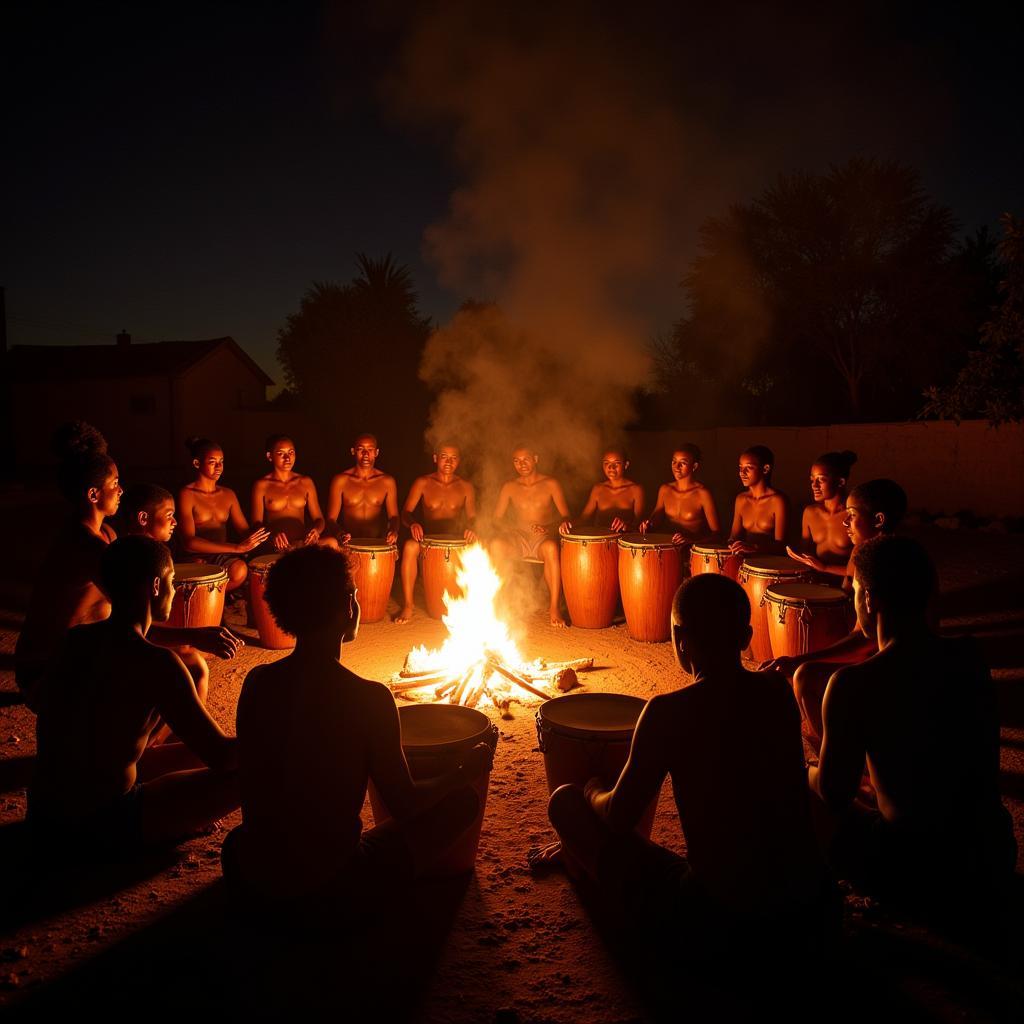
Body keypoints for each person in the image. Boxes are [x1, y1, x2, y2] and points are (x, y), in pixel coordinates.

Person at [533, 574, 836, 949]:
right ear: (746, 637)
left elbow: (619, 817)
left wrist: (592, 790)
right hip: (812, 910)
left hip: (722, 922)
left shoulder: (668, 711)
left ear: (678, 639)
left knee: (564, 802)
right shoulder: (778, 692)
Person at [221, 545, 493, 924]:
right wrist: (465, 770)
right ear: (349, 606)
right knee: (461, 804)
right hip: (330, 889)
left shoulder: (257, 681)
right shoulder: (368, 698)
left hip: (249, 876)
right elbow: (406, 805)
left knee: (239, 842)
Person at [809, 536, 1016, 917]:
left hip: (914, 870)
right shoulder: (970, 656)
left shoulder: (852, 683)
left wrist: (808, 769)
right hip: (991, 855)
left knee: (803, 784)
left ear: (869, 599)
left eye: (855, 591)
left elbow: (835, 796)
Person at [27, 536, 240, 858]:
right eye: (171, 582)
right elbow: (221, 756)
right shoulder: (158, 663)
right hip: (101, 824)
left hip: (43, 814)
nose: (174, 589)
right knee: (253, 767)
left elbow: (42, 701)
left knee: (181, 756)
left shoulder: (75, 640)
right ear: (155, 586)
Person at [763, 479, 908, 749]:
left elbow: (865, 640)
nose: (845, 523)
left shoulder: (873, 563)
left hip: (899, 667)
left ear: (878, 519)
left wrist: (798, 659)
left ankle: (839, 758)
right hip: (915, 655)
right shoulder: (906, 551)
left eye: (851, 516)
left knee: (806, 676)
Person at [15, 423, 122, 711]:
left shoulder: (107, 534)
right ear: (93, 495)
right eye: (114, 484)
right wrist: (190, 635)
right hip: (47, 670)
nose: (120, 490)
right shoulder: (83, 544)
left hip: (82, 656)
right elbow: (132, 612)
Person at [120, 482, 245, 726]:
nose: (175, 522)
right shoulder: (134, 559)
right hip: (122, 645)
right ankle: (167, 739)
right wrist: (193, 636)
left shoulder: (153, 549)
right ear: (143, 518)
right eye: (169, 516)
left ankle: (174, 736)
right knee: (190, 666)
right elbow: (132, 630)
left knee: (192, 662)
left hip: (132, 637)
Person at [395, 443, 478, 625]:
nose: (448, 461)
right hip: (427, 541)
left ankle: (475, 605)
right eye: (444, 456)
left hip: (456, 541)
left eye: (453, 457)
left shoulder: (465, 486)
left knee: (480, 546)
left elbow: (473, 517)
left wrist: (472, 529)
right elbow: (405, 513)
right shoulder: (423, 483)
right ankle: (408, 605)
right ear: (435, 458)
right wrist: (413, 523)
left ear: (459, 461)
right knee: (409, 546)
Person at [491, 446, 571, 627]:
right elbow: (496, 519)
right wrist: (509, 529)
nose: (521, 464)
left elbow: (566, 516)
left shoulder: (551, 484)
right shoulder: (510, 487)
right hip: (518, 540)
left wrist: (548, 527)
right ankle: (499, 602)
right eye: (516, 461)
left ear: (535, 458)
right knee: (496, 544)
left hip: (542, 539)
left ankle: (554, 607)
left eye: (525, 459)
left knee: (551, 548)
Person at [177, 437, 269, 593]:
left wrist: (268, 535)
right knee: (199, 570)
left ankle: (215, 600)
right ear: (197, 464)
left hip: (222, 556)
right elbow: (189, 542)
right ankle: (206, 602)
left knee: (240, 569)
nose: (219, 466)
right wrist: (237, 548)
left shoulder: (228, 494)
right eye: (212, 462)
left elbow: (245, 531)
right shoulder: (187, 494)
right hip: (196, 556)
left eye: (221, 461)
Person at [251, 434, 337, 551]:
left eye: (291, 453)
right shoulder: (262, 485)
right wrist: (272, 535)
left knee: (332, 543)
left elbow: (319, 519)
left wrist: (316, 530)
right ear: (270, 456)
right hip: (278, 546)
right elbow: (256, 523)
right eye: (281, 453)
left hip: (303, 544)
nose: (287, 458)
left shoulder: (305, 482)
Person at [787, 450, 857, 577]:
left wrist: (825, 568)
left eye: (821, 480)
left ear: (841, 482)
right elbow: (807, 553)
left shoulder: (852, 517)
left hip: (846, 587)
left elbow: (859, 569)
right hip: (816, 583)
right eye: (812, 480)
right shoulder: (810, 513)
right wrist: (797, 555)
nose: (814, 485)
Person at [326, 433, 400, 545]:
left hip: (376, 544)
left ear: (376, 453)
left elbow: (394, 516)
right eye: (361, 449)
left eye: (370, 449)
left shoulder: (387, 482)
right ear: (353, 451)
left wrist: (393, 531)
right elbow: (331, 519)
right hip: (348, 543)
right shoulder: (341, 481)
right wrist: (340, 534)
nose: (365, 454)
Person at [639, 444, 719, 545]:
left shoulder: (702, 494)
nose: (677, 467)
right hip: (667, 550)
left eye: (683, 463)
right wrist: (647, 525)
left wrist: (692, 543)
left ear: (694, 466)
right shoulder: (665, 490)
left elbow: (717, 535)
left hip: (693, 553)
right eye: (674, 462)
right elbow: (655, 521)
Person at [560, 448, 644, 536]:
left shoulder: (636, 489)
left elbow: (639, 523)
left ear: (626, 465)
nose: (611, 467)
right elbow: (584, 518)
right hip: (599, 541)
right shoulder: (598, 489)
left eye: (616, 463)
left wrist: (626, 526)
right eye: (606, 463)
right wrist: (569, 524)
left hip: (624, 542)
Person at [728, 445, 787, 556]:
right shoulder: (741, 499)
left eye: (748, 468)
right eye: (740, 467)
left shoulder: (778, 500)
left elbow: (782, 545)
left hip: (768, 565)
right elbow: (733, 537)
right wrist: (732, 544)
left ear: (765, 469)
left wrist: (754, 548)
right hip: (746, 564)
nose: (742, 472)